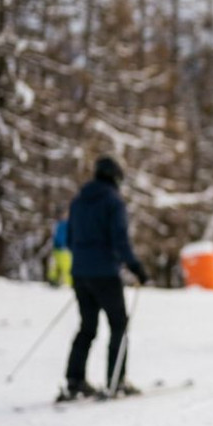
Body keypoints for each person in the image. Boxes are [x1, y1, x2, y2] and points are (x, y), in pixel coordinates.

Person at [60, 156, 149, 400]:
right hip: (105, 274)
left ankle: (74, 380)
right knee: (118, 325)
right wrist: (135, 266)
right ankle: (116, 380)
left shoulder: (78, 200)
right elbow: (119, 238)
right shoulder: (113, 201)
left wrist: (83, 260)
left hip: (80, 273)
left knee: (87, 327)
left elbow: (70, 238)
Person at [48, 209, 72, 288]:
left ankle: (54, 279)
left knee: (57, 265)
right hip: (62, 248)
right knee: (65, 266)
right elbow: (61, 236)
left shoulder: (59, 224)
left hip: (58, 248)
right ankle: (67, 283)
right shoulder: (64, 224)